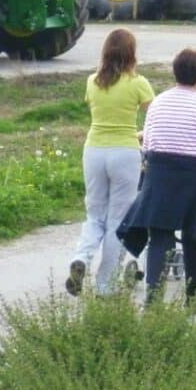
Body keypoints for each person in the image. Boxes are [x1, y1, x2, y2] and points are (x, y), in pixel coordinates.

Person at [117, 48, 196, 304]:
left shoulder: (158, 103)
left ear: (174, 73)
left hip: (159, 175)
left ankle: (153, 296)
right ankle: (192, 297)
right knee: (194, 235)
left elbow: (147, 143)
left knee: (159, 235)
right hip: (194, 177)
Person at [65, 28, 155, 297]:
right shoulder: (138, 83)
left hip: (94, 150)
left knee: (94, 214)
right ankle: (105, 285)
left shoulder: (92, 81)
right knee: (118, 218)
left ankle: (81, 257)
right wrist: (142, 135)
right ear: (132, 53)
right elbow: (155, 119)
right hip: (125, 151)